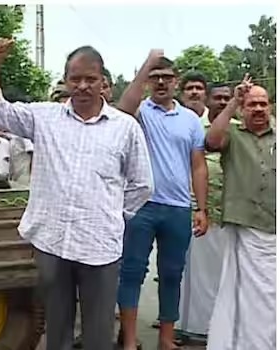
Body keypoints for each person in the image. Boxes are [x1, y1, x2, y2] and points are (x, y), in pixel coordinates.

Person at [0, 38, 153, 350]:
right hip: (52, 242)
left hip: (100, 246)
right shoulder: (44, 118)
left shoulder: (125, 128)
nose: (83, 86)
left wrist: (112, 215)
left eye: (91, 79)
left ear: (104, 82)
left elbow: (142, 185)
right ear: (65, 81)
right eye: (75, 79)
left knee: (98, 334)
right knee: (56, 330)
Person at [115, 51, 209, 350]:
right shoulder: (139, 113)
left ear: (176, 82)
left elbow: (198, 165)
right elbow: (122, 110)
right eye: (154, 78)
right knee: (132, 272)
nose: (160, 83)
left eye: (166, 78)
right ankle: (130, 340)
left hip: (178, 208)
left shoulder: (191, 120)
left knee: (171, 274)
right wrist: (145, 67)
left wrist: (202, 208)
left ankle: (166, 339)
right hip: (141, 206)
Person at [205, 77, 276, 350]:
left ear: (270, 107)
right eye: (251, 104)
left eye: (263, 104)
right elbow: (211, 140)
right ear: (242, 110)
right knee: (244, 298)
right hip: (245, 229)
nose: (258, 109)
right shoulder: (232, 135)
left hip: (274, 229)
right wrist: (233, 99)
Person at [175, 81, 241, 345]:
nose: (223, 102)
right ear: (209, 101)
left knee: (227, 276)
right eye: (219, 98)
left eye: (228, 98)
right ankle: (193, 327)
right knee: (194, 275)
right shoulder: (195, 130)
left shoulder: (240, 130)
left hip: (232, 214)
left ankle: (225, 328)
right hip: (198, 211)